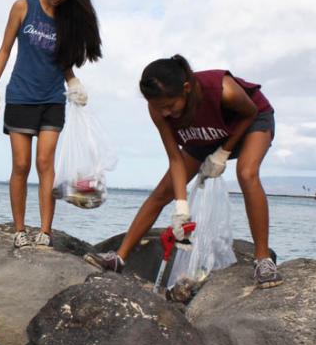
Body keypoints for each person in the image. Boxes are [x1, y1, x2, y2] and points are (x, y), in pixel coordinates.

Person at [84, 55, 283, 289]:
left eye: (170, 106)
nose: (165, 113)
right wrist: (181, 206)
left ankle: (263, 260)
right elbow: (175, 158)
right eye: (160, 108)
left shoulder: (222, 89)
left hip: (250, 123)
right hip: (204, 135)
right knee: (161, 193)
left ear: (186, 89)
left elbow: (249, 113)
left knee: (247, 173)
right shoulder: (158, 108)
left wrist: (224, 152)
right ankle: (119, 258)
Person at [0, 0, 102, 249]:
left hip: (51, 99)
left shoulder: (67, 20)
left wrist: (73, 82)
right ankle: (20, 230)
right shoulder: (24, 7)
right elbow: (5, 49)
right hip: (21, 96)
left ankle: (45, 231)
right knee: (21, 164)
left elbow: (63, 63)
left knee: (45, 162)